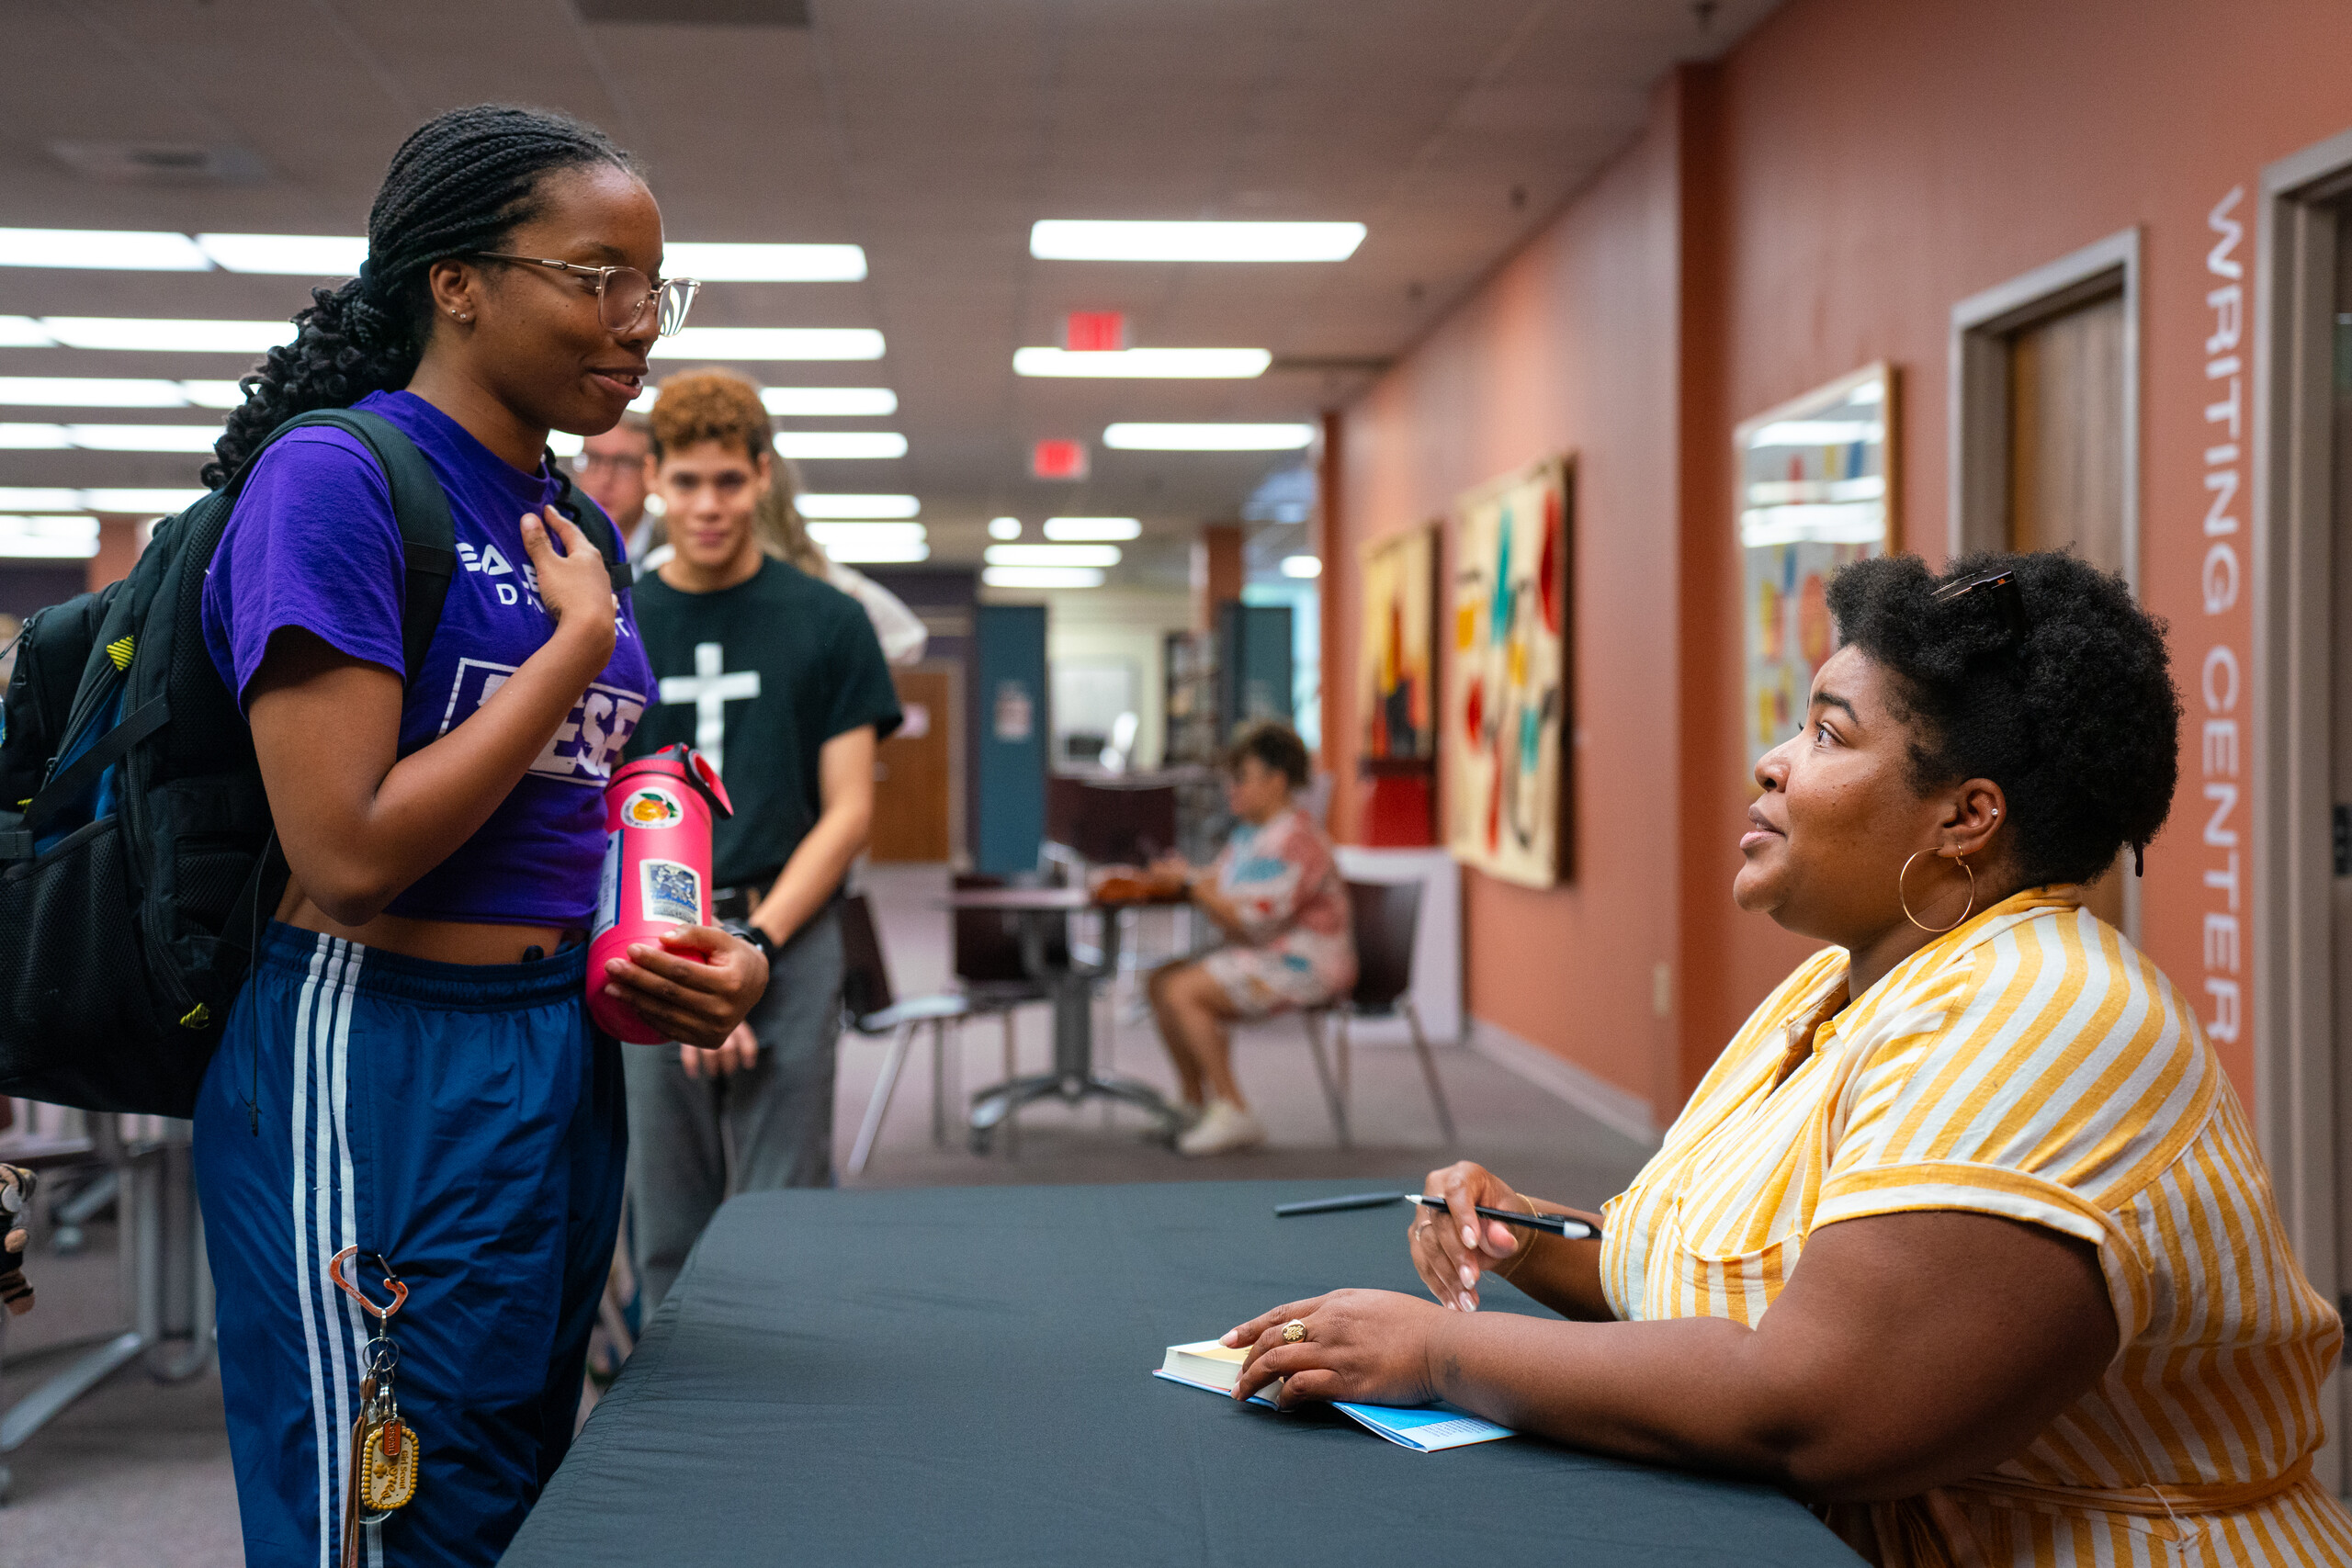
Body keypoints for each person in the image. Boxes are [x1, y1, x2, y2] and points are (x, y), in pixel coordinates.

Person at [1219, 553, 2352, 1566]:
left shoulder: (2047, 1008)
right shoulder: (1844, 984)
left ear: (1966, 818)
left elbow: (1819, 1403)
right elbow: (1721, 1275)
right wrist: (1528, 1240)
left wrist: (1440, 1354)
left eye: (1825, 733)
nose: (1771, 762)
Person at [190, 107, 768, 1567]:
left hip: (550, 1040)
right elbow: (349, 850)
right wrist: (575, 649)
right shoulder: (337, 480)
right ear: (457, 280)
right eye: (599, 278)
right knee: (385, 1499)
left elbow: (577, 799)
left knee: (513, 1479)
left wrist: (710, 946)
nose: (640, 323)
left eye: (657, 286)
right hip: (375, 1045)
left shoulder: (573, 517)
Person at [622, 369, 901, 1311]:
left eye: (729, 482)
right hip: (644, 942)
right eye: (688, 481)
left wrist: (748, 951)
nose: (708, 506)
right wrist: (684, 959)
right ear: (653, 476)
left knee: (786, 1215)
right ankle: (669, 1435)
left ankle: (780, 1439)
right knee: (665, 1218)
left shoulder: (829, 621)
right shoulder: (612, 621)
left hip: (788, 929)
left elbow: (848, 814)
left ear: (764, 477)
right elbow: (591, 808)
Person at [1145, 720, 1355, 1156]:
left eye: (1241, 778)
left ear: (1277, 781)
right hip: (1264, 953)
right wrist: (1190, 878)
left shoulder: (1299, 841)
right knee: (1158, 980)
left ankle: (1234, 1108)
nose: (1230, 790)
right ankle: (1193, 1100)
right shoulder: (1248, 836)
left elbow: (1252, 921)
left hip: (1305, 963)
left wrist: (1190, 883)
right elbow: (1221, 885)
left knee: (1182, 990)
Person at [575, 409, 659, 562]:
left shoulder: (674, 549)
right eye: (594, 459)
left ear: (651, 473)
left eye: (624, 463)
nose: (604, 479)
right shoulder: (557, 544)